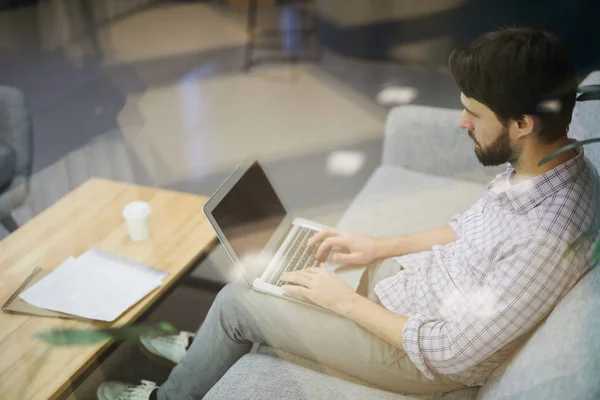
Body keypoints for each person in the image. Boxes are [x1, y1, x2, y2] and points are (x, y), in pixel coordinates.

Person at [97, 27, 600, 400]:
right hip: (415, 292)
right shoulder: (546, 163)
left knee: (238, 301)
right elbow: (469, 228)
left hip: (419, 360)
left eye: (474, 112)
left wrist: (344, 304)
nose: (462, 122)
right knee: (292, 264)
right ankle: (209, 348)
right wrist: (376, 248)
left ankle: (167, 395)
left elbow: (450, 353)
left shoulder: (545, 238)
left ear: (522, 122)